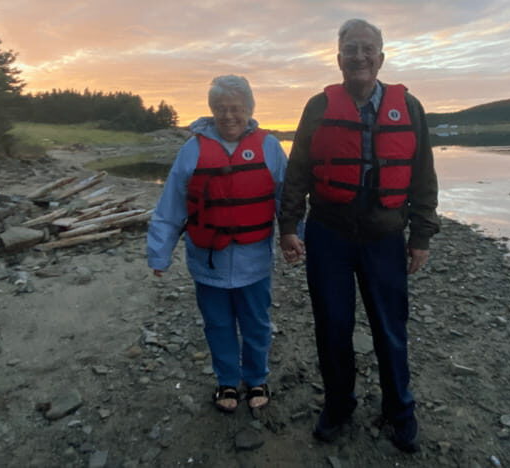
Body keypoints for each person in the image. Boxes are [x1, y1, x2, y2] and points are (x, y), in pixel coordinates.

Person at [279, 19, 439, 452]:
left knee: (390, 329)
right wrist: (289, 226)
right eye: (351, 49)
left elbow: (423, 176)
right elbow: (297, 172)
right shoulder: (318, 106)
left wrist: (421, 235)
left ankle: (399, 410)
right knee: (332, 327)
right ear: (339, 59)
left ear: (381, 58)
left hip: (385, 236)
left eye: (368, 49)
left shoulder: (410, 108)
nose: (360, 57)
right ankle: (338, 405)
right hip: (329, 234)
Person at [147, 75, 287, 413]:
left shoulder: (269, 147)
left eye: (236, 108)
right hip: (207, 262)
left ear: (249, 110)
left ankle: (256, 377)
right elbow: (171, 206)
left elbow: (289, 200)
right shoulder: (192, 149)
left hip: (254, 263)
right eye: (221, 109)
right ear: (211, 110)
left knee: (256, 322)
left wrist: (297, 238)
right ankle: (227, 381)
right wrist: (159, 253)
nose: (229, 116)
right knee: (218, 324)